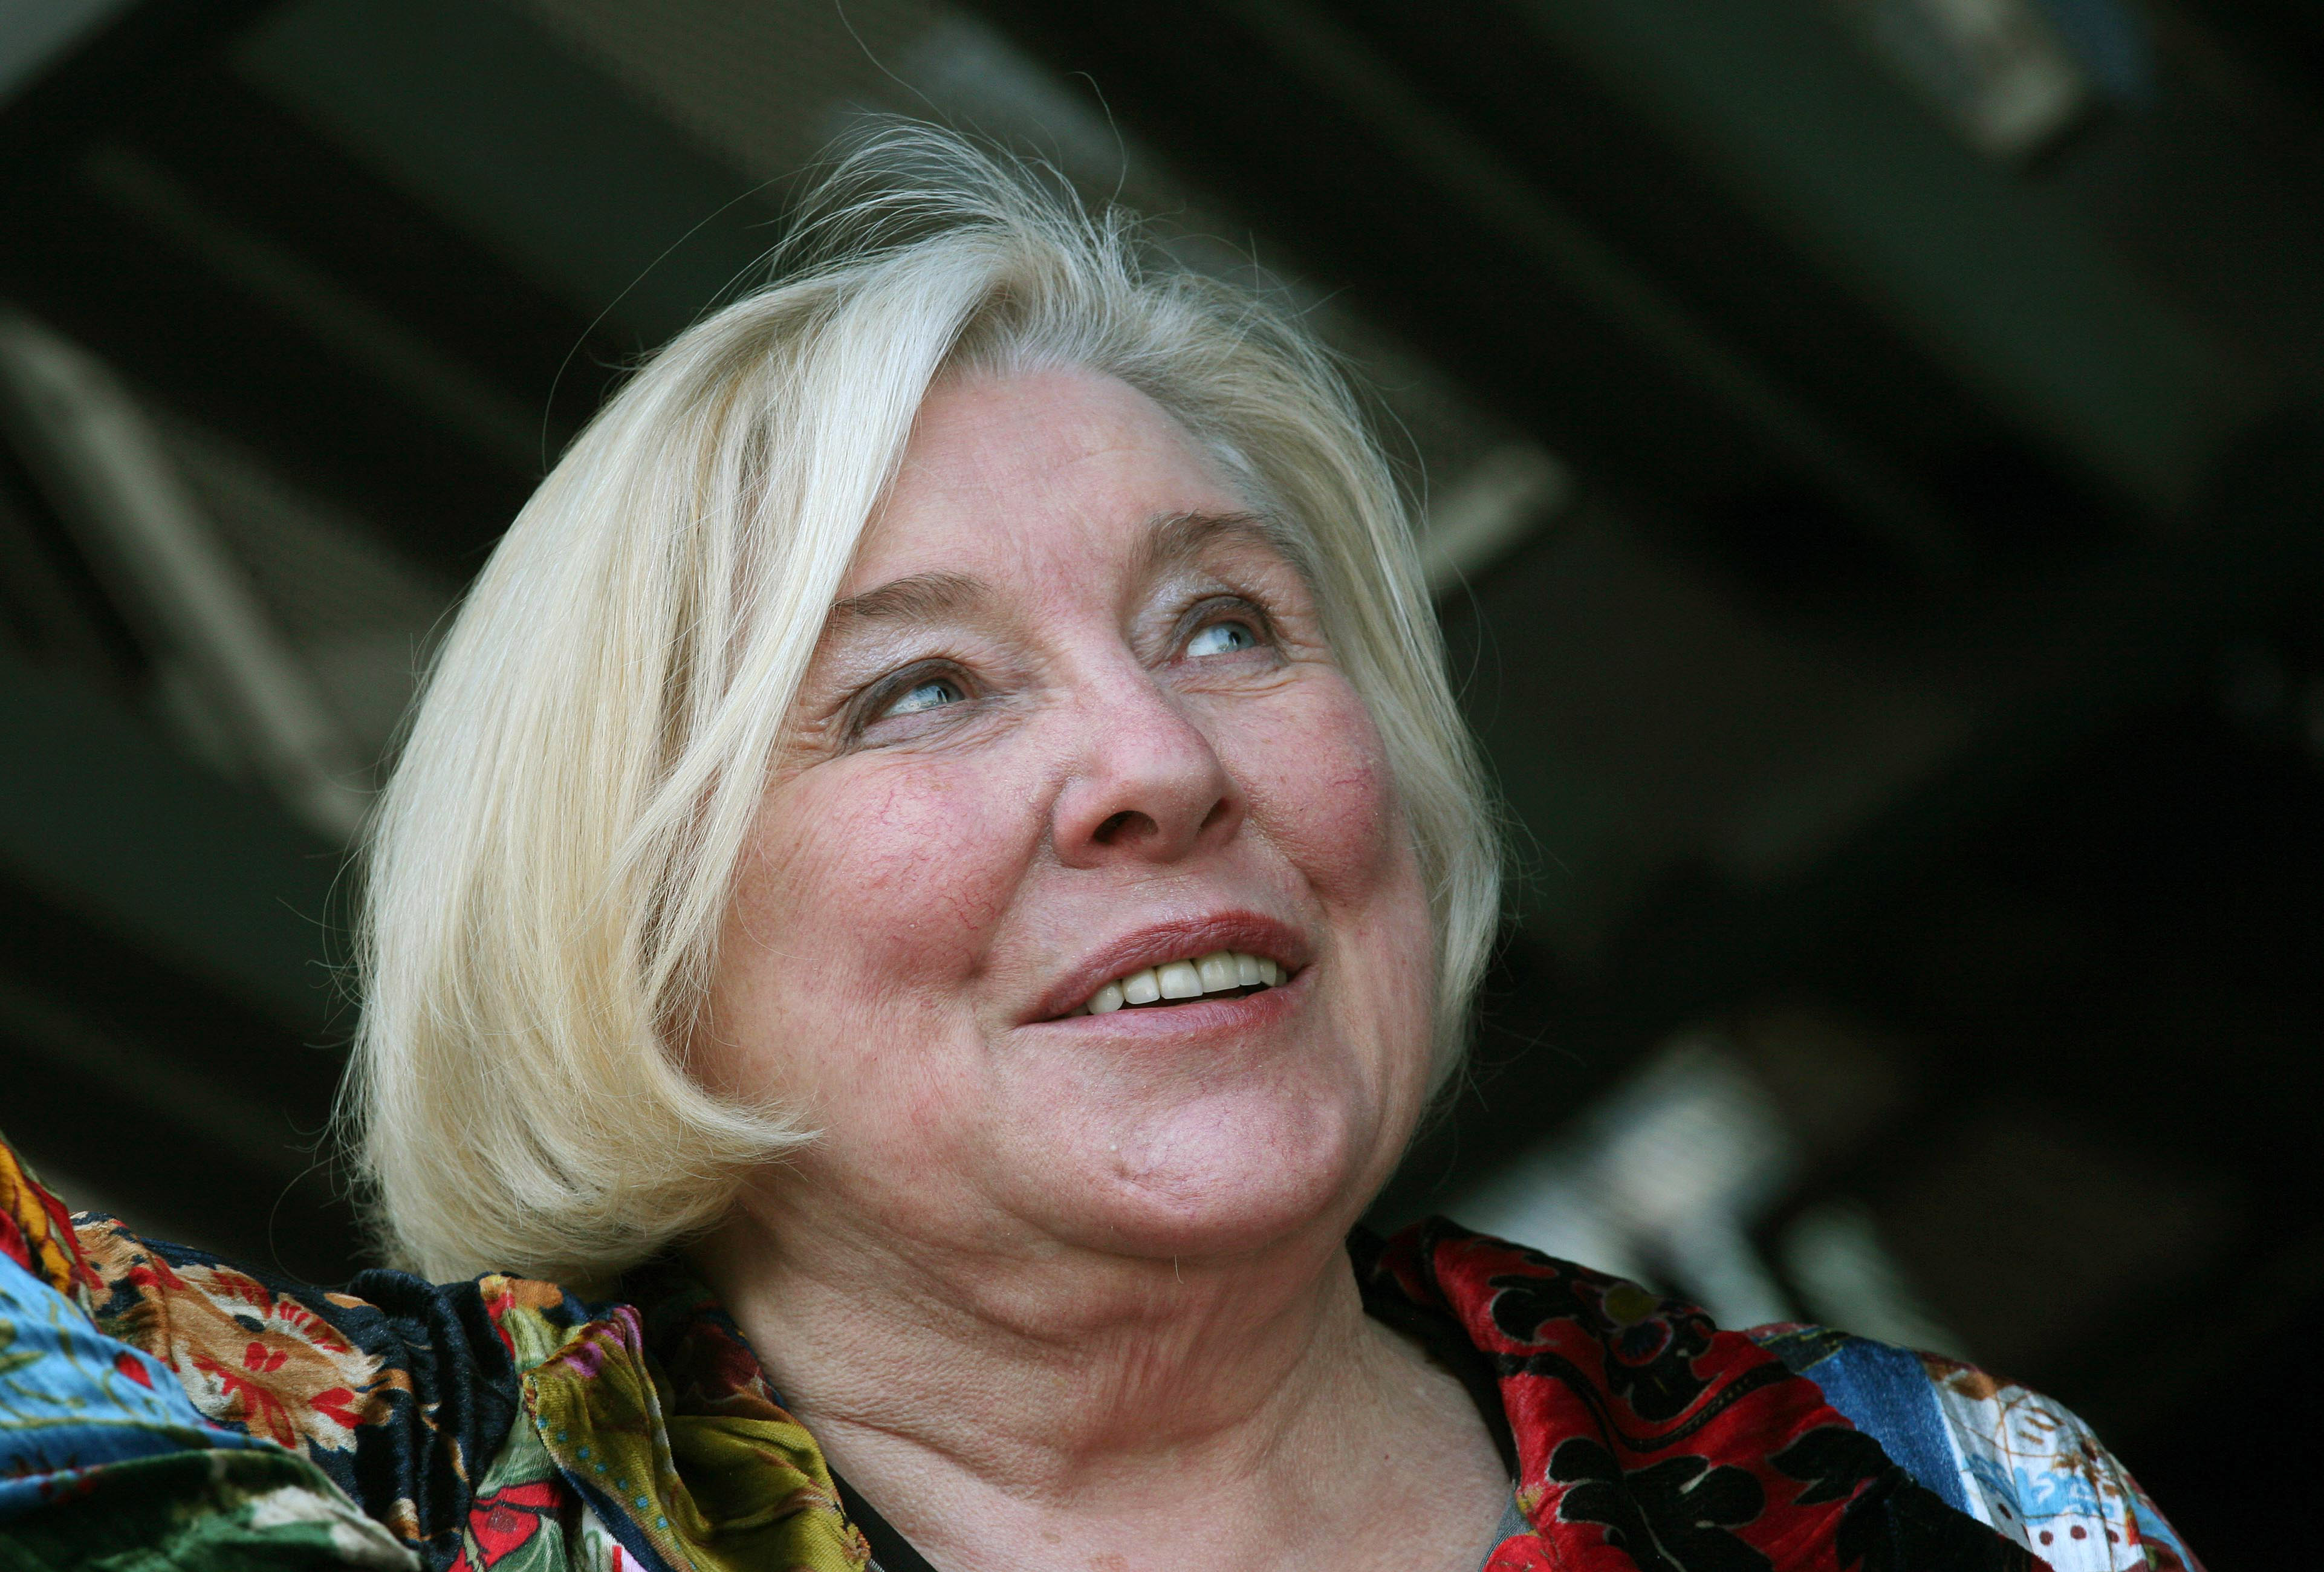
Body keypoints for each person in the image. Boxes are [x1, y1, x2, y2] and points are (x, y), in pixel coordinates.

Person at [0, 128, 2198, 1572]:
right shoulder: (344, 1494)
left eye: (1224, 626)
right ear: (634, 935)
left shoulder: (1936, 1495)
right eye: (921, 689)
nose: (1155, 758)